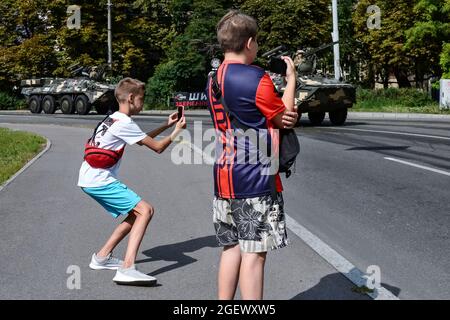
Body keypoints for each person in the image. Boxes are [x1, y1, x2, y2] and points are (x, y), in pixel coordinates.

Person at [206, 10, 298, 299]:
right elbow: (285, 117)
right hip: (255, 176)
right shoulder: (255, 78)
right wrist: (292, 78)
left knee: (231, 248)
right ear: (249, 43)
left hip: (224, 174)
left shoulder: (213, 78)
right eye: (256, 41)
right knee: (254, 254)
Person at [78, 77, 186, 285]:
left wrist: (166, 124)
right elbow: (157, 147)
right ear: (131, 98)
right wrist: (176, 132)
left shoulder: (113, 118)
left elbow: (142, 140)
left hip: (89, 177)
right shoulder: (125, 123)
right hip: (99, 180)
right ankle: (127, 268)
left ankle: (101, 257)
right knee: (145, 210)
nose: (143, 102)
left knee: (136, 214)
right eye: (141, 98)